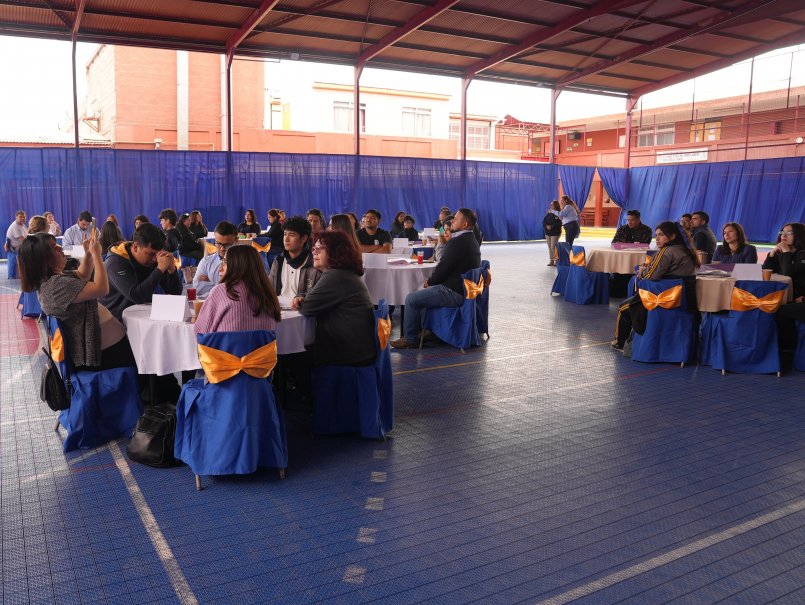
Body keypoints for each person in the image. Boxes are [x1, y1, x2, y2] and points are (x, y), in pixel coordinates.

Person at [19, 232, 135, 370]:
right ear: (44, 261)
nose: (60, 248)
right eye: (54, 248)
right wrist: (97, 255)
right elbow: (102, 289)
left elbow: (81, 275)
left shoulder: (53, 280)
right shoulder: (55, 286)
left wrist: (89, 254)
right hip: (104, 355)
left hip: (109, 350)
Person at [391, 208, 481, 349]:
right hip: (464, 290)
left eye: (456, 219)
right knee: (422, 295)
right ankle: (428, 330)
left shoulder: (457, 242)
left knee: (411, 299)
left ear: (464, 224)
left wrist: (430, 281)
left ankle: (410, 338)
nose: (452, 220)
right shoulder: (471, 239)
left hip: (453, 291)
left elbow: (443, 268)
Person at [612, 221, 699, 350]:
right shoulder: (687, 250)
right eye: (656, 235)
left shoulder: (666, 251)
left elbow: (650, 276)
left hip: (661, 301)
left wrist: (642, 271)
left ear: (672, 236)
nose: (657, 238)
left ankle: (620, 342)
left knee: (623, 307)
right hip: (685, 302)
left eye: (661, 235)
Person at [296, 231, 376, 367]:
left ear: (335, 252)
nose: (314, 252)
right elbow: (312, 299)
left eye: (320, 248)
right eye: (314, 248)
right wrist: (303, 297)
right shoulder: (343, 273)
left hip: (347, 355)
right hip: (358, 349)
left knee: (293, 357)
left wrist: (302, 299)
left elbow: (306, 308)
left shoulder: (335, 276)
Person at [101, 222, 182, 320]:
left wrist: (172, 271)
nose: (154, 259)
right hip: (117, 319)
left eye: (157, 254)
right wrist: (159, 269)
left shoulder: (155, 258)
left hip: (145, 315)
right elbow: (136, 296)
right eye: (151, 254)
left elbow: (175, 294)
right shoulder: (115, 263)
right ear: (135, 247)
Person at [193, 245, 282, 334]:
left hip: (227, 343)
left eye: (225, 262)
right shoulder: (268, 293)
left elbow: (200, 331)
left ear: (237, 266)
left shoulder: (221, 290)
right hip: (265, 343)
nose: (220, 268)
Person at [763, 223, 805, 352]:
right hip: (787, 296)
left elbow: (788, 274)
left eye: (789, 232)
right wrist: (771, 254)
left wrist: (786, 253)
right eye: (782, 232)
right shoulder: (780, 253)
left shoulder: (802, 254)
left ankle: (787, 348)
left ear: (799, 235)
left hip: (801, 298)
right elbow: (765, 273)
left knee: (779, 310)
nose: (783, 235)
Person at [268, 216, 321, 303]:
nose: (286, 239)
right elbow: (269, 289)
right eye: (285, 234)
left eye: (291, 235)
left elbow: (317, 296)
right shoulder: (279, 260)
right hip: (279, 307)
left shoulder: (313, 262)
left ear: (304, 238)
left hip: (303, 308)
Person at [193, 221, 238, 298]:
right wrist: (226, 287)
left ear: (236, 241)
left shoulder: (243, 262)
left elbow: (242, 290)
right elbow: (197, 288)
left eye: (227, 245)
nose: (222, 249)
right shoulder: (206, 261)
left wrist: (211, 284)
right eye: (218, 243)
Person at [542, 201, 562, 266]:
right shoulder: (549, 212)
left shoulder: (559, 213)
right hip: (547, 232)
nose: (551, 206)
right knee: (550, 247)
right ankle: (551, 261)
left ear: (556, 205)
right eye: (551, 205)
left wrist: (552, 226)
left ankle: (557, 261)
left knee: (553, 246)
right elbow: (544, 221)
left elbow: (560, 223)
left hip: (555, 232)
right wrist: (546, 225)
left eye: (552, 205)